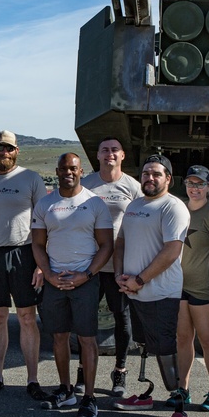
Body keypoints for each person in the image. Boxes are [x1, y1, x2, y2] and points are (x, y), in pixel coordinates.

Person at [31, 153, 114, 417]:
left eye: (74, 168)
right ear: (57, 171)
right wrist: (49, 274)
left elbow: (106, 246)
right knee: (58, 337)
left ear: (81, 171)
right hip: (55, 281)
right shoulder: (45, 204)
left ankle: (89, 398)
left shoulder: (94, 203)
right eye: (64, 168)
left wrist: (86, 274)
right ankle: (66, 390)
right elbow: (38, 245)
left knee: (87, 339)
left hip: (85, 281)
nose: (69, 172)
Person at [0, 130, 48, 399]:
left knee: (27, 318)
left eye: (9, 149)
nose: (4, 153)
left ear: (17, 151)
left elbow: (43, 222)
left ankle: (33, 380)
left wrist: (41, 263)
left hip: (24, 254)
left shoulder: (31, 179)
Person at [114, 154, 191, 417]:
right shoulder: (134, 206)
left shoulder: (173, 207)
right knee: (145, 346)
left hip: (161, 294)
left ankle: (180, 407)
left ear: (168, 178)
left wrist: (140, 279)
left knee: (166, 350)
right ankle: (147, 396)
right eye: (146, 173)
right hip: (134, 291)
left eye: (156, 174)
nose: (150, 178)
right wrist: (120, 275)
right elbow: (121, 241)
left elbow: (172, 251)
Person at [80, 136, 142, 399]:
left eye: (114, 150)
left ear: (122, 155)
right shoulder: (87, 184)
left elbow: (145, 218)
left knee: (122, 321)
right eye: (104, 150)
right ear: (98, 156)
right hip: (90, 265)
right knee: (86, 322)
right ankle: (84, 371)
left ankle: (120, 370)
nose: (110, 154)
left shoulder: (133, 186)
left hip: (120, 267)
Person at [173, 165, 209, 413]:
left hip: (205, 289)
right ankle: (182, 389)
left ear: (208, 187)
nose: (194, 188)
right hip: (179, 286)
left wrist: (206, 269)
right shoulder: (178, 210)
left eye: (200, 184)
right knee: (183, 338)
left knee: (208, 340)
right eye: (190, 183)